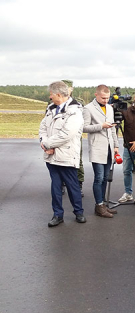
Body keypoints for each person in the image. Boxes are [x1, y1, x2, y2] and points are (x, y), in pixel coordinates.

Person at [39, 81, 85, 227]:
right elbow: (43, 128)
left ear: (58, 94)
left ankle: (79, 212)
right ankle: (57, 215)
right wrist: (44, 143)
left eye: (51, 94)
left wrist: (48, 144)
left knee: (72, 186)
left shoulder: (75, 111)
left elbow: (67, 134)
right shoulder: (50, 109)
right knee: (55, 187)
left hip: (66, 156)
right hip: (51, 157)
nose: (50, 97)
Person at [82, 84, 119, 218]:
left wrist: (116, 145)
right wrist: (100, 126)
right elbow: (84, 128)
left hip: (109, 148)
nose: (106, 100)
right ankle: (99, 205)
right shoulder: (88, 109)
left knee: (105, 178)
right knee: (98, 178)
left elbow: (113, 128)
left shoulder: (109, 108)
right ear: (96, 95)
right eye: (103, 98)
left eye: (108, 98)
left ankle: (102, 204)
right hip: (97, 147)